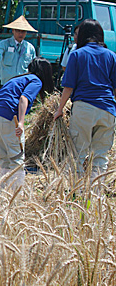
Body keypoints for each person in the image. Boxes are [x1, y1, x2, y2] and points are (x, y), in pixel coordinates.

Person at [54, 19, 116, 181]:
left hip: (84, 109)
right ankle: (96, 194)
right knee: (100, 157)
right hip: (108, 110)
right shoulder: (111, 55)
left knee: (79, 154)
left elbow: (68, 87)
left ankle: (78, 192)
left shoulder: (77, 54)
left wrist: (59, 110)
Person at [0, 57, 54, 190]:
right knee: (17, 157)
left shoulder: (18, 78)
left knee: (3, 157)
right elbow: (23, 98)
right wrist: (21, 123)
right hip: (8, 116)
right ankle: (16, 194)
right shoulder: (36, 80)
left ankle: (3, 192)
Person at [0, 16, 37, 85]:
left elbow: (34, 66)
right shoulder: (4, 44)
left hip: (23, 83)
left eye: (23, 31)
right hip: (8, 83)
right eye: (18, 31)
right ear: (13, 30)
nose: (20, 34)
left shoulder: (30, 48)